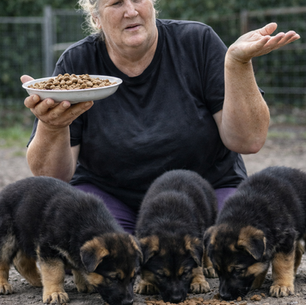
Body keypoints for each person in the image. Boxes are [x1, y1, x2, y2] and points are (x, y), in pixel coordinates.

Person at [21, 0, 300, 234]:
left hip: (204, 192)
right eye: (116, 2)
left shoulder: (197, 42)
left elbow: (249, 140)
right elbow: (51, 176)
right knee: (91, 248)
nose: (131, 11)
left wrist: (238, 64)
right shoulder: (77, 64)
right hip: (112, 199)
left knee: (235, 239)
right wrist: (51, 125)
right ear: (96, 17)